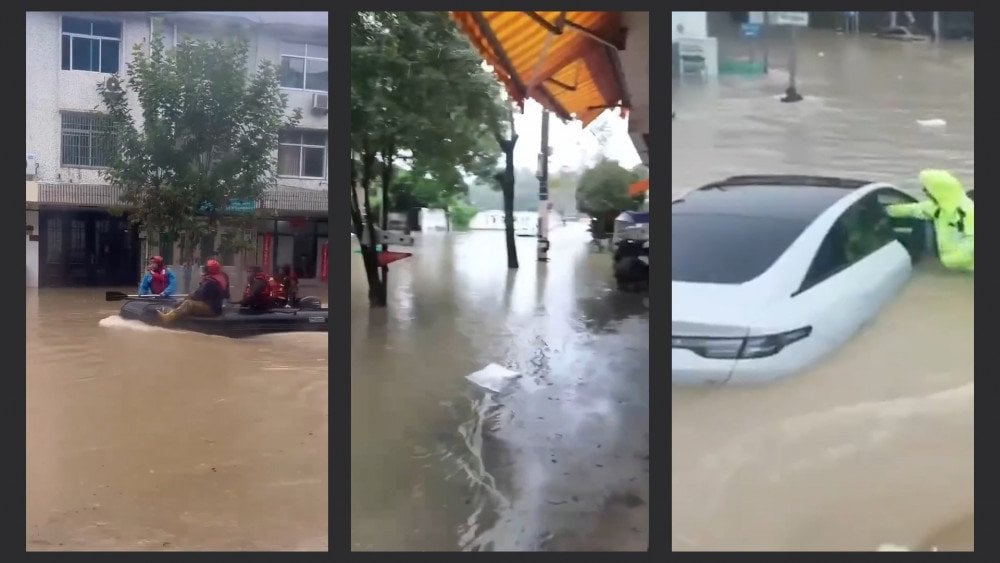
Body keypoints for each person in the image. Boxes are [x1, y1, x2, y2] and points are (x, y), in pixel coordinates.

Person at [886, 169, 974, 272]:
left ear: (939, 190)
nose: (925, 192)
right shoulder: (937, 207)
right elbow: (915, 209)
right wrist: (888, 210)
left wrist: (949, 260)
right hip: (952, 265)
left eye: (927, 189)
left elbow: (972, 242)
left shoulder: (968, 211)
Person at [158, 259, 228, 323]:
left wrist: (190, 296)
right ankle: (173, 311)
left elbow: (199, 295)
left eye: (206, 268)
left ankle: (169, 318)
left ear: (209, 270)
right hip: (213, 306)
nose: (204, 270)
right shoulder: (220, 279)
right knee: (184, 300)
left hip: (212, 309)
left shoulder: (211, 282)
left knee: (188, 303)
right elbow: (226, 294)